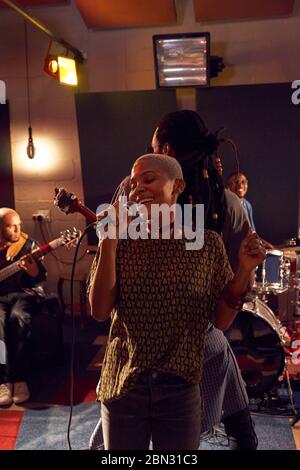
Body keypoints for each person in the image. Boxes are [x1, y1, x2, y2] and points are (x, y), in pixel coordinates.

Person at [89, 110, 259, 450]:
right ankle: (242, 433)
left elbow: (225, 299)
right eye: (135, 183)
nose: (137, 190)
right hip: (185, 344)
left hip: (187, 349)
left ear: (165, 150)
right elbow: (101, 306)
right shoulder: (229, 204)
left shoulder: (130, 195)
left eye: (147, 180)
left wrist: (240, 270)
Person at [0, 208, 47, 406]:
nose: (18, 229)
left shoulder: (29, 246)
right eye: (11, 226)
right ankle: (2, 381)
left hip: (23, 295)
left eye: (19, 224)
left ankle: (19, 379)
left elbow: (41, 278)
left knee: (18, 318)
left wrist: (34, 270)